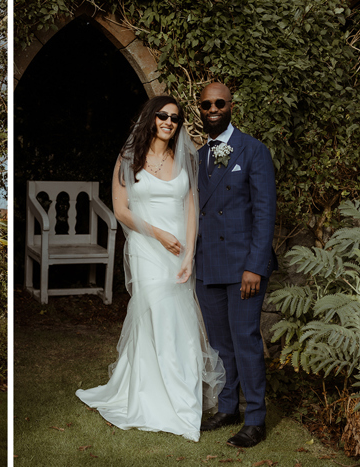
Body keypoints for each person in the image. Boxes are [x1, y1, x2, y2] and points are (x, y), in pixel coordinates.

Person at [76, 96, 225, 442]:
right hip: (146, 248)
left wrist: (188, 254)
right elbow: (121, 209)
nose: (168, 122)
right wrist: (158, 235)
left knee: (181, 320)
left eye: (174, 118)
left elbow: (191, 207)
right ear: (151, 118)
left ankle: (184, 403)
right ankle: (151, 397)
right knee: (155, 315)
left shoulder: (185, 158)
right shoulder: (128, 159)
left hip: (178, 253)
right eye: (162, 115)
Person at [195, 82, 277, 448]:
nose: (213, 109)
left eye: (219, 103)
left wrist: (255, 267)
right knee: (220, 344)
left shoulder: (253, 150)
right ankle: (228, 408)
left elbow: (264, 212)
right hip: (207, 265)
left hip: (244, 267)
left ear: (230, 106)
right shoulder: (197, 157)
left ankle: (256, 418)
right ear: (200, 109)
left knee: (245, 341)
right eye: (206, 104)